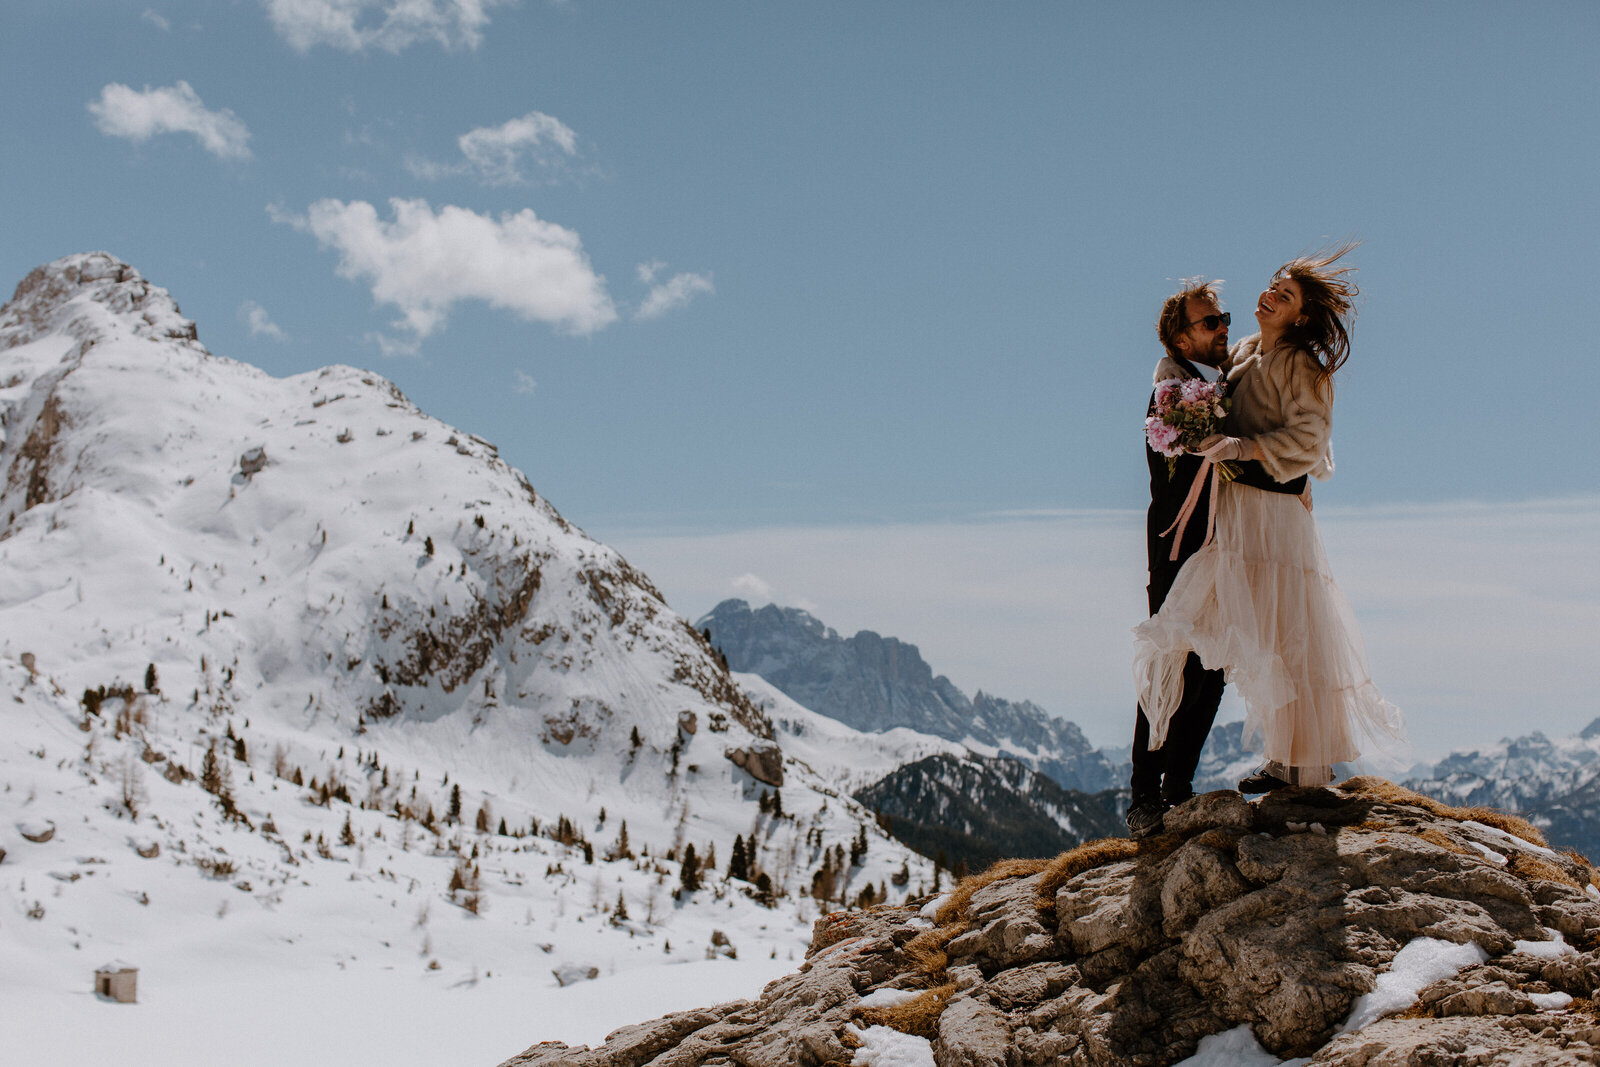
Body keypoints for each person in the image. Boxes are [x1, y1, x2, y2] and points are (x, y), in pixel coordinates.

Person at [1133, 246, 1407, 793]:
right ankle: (1224, 772)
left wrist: (1243, 450)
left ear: (1301, 317)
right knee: (1248, 636)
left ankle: (1304, 765)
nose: (1269, 295)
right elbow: (1190, 384)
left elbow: (1310, 440)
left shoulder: (1301, 363)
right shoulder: (1245, 353)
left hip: (1274, 520)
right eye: (1272, 286)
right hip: (1235, 521)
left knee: (1291, 633)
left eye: (1284, 296)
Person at [1125, 280, 1232, 839]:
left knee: (1212, 667)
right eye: (1210, 322)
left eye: (1224, 319)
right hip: (1178, 545)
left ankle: (1178, 787)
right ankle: (1146, 795)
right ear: (1179, 336)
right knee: (1171, 659)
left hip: (1218, 546)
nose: (1223, 329)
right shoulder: (1172, 393)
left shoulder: (1209, 386)